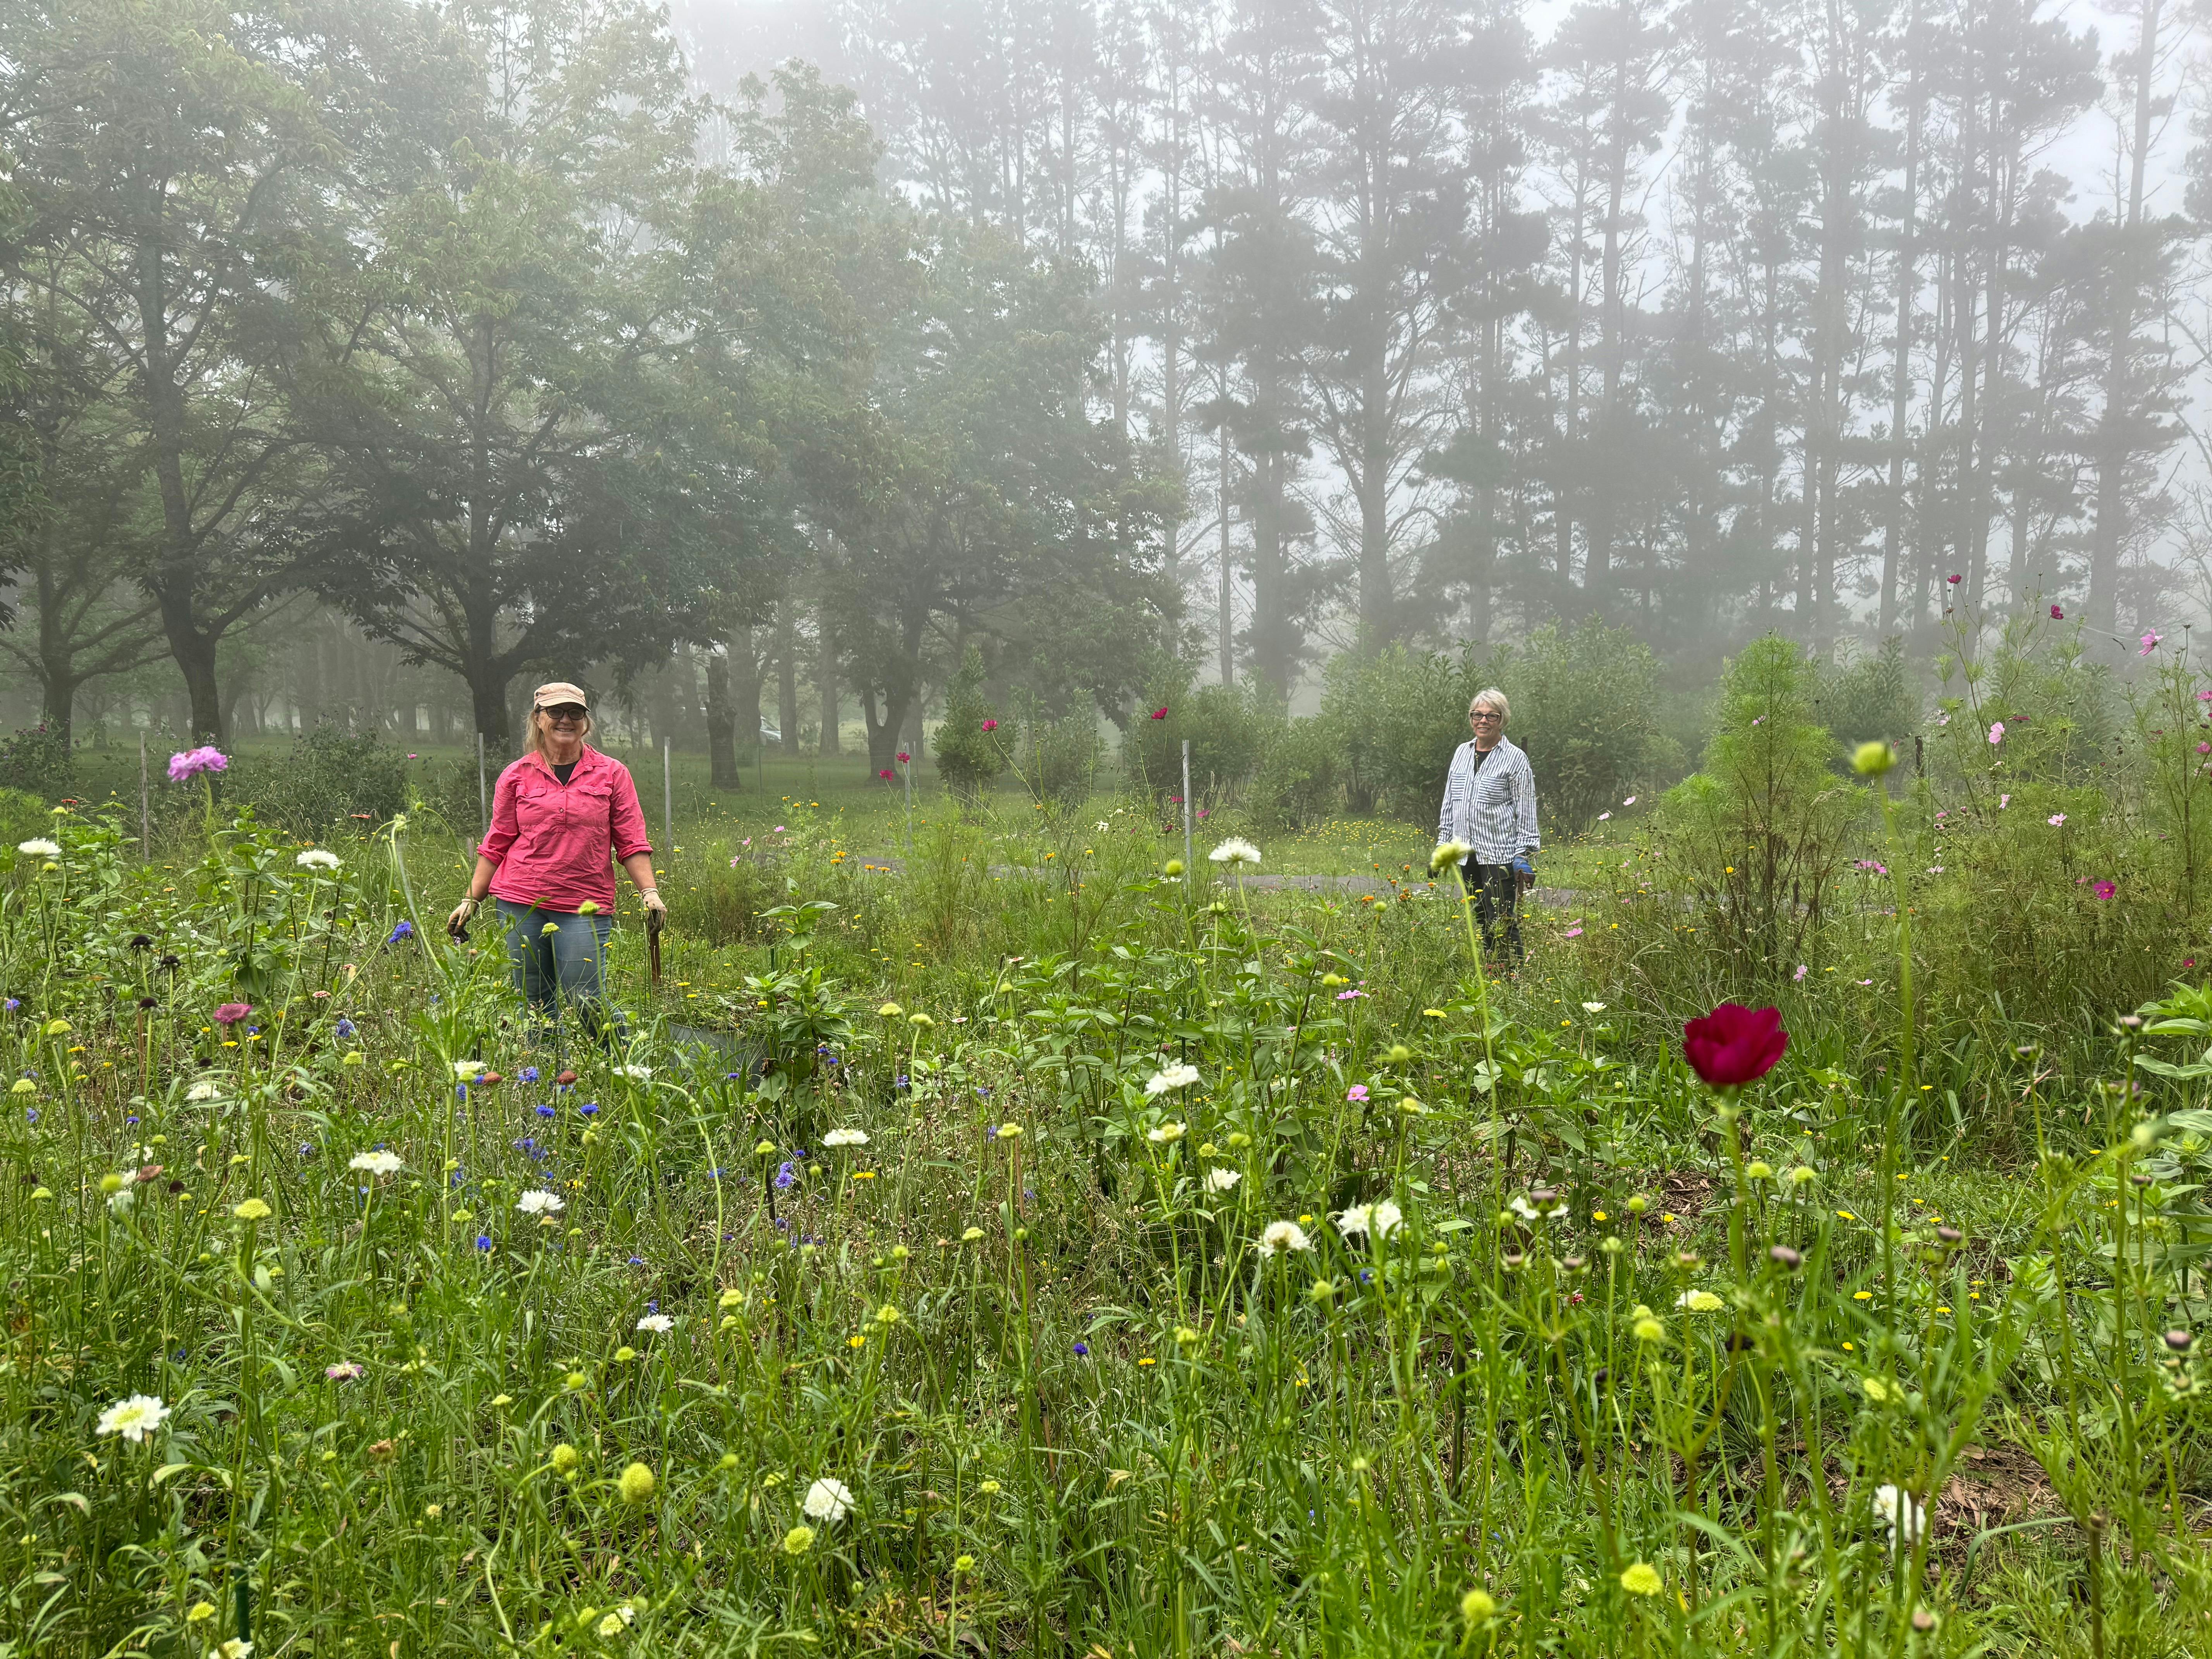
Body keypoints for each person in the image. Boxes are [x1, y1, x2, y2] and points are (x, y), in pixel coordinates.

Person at [446, 682, 664, 1038]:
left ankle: (625, 1069)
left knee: (586, 998)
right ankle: (545, 1081)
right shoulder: (516, 775)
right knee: (532, 1001)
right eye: (556, 712)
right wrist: (472, 898)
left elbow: (631, 841)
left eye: (575, 713)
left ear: (586, 722)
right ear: (538, 718)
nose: (566, 720)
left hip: (585, 904)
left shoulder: (612, 773)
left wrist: (649, 892)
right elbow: (497, 841)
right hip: (520, 902)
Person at [1436, 686, 1539, 964]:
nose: (1483, 721)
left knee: (1502, 920)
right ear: (1471, 718)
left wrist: (1523, 854)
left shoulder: (1515, 758)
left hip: (1499, 855)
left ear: (1502, 720)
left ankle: (1513, 978)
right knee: (1481, 917)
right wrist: (1442, 846)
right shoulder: (1461, 752)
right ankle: (1493, 971)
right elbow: (1451, 802)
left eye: (1491, 716)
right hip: (1466, 853)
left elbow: (1526, 808)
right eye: (1477, 715)